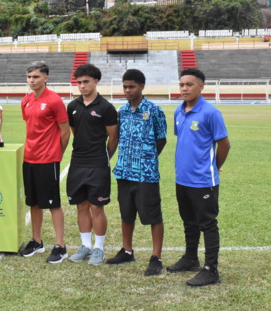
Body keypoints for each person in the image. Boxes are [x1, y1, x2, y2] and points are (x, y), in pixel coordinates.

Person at [168, 68, 230, 287]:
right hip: (182, 179)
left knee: (208, 224)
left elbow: (224, 144)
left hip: (203, 181)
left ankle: (211, 270)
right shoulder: (178, 111)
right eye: (182, 84)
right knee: (189, 222)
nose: (184, 88)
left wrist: (213, 167)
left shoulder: (211, 113)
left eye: (190, 84)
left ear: (201, 86)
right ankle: (190, 258)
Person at [108, 69, 167, 275]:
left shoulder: (154, 110)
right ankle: (127, 250)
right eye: (125, 87)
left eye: (131, 86)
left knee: (153, 215)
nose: (127, 90)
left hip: (146, 174)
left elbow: (161, 139)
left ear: (142, 86)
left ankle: (156, 257)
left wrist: (146, 159)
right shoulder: (121, 111)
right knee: (126, 214)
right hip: (124, 172)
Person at [66, 64, 118, 266]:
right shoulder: (72, 107)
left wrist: (103, 157)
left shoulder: (106, 108)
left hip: (98, 164)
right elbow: (75, 132)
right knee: (81, 206)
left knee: (97, 207)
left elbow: (113, 138)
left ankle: (99, 248)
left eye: (86, 81)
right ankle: (85, 246)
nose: (81, 86)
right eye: (78, 82)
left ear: (96, 81)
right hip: (78, 162)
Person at [20, 61, 70, 264]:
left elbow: (65, 131)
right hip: (29, 157)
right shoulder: (25, 101)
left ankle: (61, 246)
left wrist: (57, 153)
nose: (32, 80)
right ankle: (37, 241)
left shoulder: (55, 100)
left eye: (36, 77)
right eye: (29, 77)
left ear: (46, 78)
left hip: (48, 160)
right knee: (33, 202)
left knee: (53, 203)